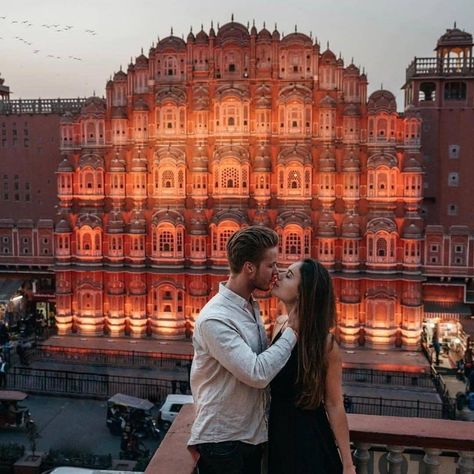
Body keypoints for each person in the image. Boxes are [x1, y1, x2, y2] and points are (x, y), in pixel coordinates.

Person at [188, 226, 298, 474]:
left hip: (247, 436)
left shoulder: (248, 307)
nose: (276, 273)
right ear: (249, 268)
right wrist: (294, 330)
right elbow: (256, 373)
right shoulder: (216, 319)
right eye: (270, 265)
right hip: (224, 442)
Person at [269, 259, 356, 474]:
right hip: (279, 439)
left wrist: (347, 463)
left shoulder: (324, 344)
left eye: (288, 275)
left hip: (310, 442)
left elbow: (334, 404)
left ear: (302, 292)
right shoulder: (280, 325)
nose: (278, 275)